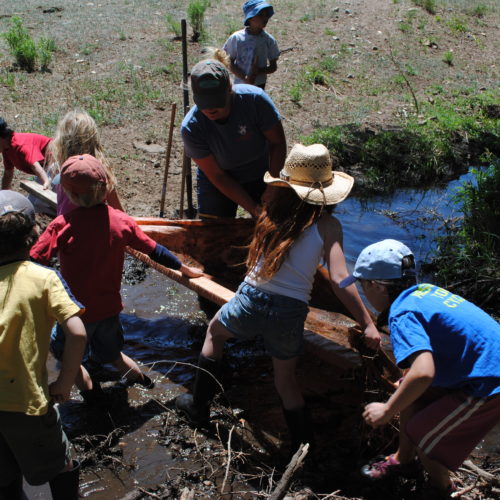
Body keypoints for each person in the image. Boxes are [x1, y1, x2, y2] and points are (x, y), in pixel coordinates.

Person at [175, 143, 381, 454]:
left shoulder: (270, 212)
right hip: (290, 311)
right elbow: (340, 279)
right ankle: (302, 446)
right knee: (285, 382)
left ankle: (198, 406)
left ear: (285, 186)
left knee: (215, 332)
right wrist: (367, 322)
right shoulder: (327, 225)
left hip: (252, 299)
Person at [30, 154, 203, 404]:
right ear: (106, 188)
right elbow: (154, 250)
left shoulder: (61, 226)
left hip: (74, 312)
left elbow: (34, 261)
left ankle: (92, 397)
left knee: (68, 357)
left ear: (69, 194)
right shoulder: (121, 222)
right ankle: (144, 382)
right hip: (110, 309)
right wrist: (182, 267)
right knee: (113, 354)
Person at [339, 239, 500, 497]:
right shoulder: (423, 290)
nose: (363, 292)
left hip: (489, 383)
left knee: (426, 440)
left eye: (362, 286)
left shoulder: (401, 314)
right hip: (480, 365)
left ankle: (441, 489)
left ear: (376, 286)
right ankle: (403, 459)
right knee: (411, 392)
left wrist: (388, 409)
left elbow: (424, 372)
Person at [0, 190, 86, 499]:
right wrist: (64, 383)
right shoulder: (44, 277)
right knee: (62, 463)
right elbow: (77, 332)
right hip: (26, 401)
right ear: (34, 236)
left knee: (5, 476)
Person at [181, 52, 286, 219]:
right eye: (205, 104)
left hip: (261, 172)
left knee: (277, 220)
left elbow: (277, 143)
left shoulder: (255, 100)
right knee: (214, 233)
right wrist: (253, 208)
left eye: (216, 102)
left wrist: (273, 185)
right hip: (219, 179)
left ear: (229, 88)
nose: (210, 109)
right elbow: (217, 175)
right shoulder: (191, 128)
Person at [49, 109, 124, 216]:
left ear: (62, 143)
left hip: (67, 229)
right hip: (96, 228)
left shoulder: (63, 175)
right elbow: (120, 212)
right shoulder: (101, 173)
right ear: (94, 141)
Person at [223, 0, 280, 90]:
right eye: (260, 15)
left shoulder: (268, 40)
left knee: (255, 103)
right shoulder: (237, 38)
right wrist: (244, 77)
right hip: (239, 84)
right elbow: (229, 61)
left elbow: (273, 67)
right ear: (250, 18)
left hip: (259, 84)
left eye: (266, 15)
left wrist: (259, 71)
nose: (265, 18)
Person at [0, 117, 52, 190]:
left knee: (40, 200)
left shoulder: (20, 144)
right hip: (45, 170)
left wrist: (46, 182)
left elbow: (35, 166)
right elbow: (8, 173)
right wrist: (3, 194)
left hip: (58, 163)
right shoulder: (7, 149)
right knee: (33, 201)